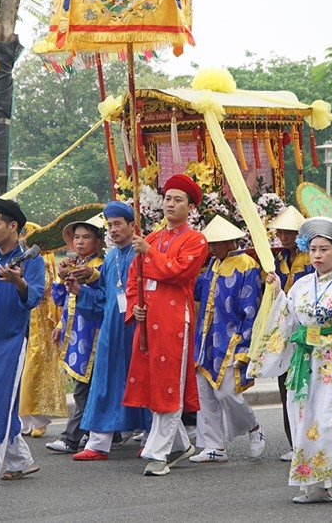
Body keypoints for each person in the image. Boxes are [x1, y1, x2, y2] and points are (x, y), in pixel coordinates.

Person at [255, 217, 332, 504]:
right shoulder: (301, 285)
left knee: (331, 420)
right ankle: (312, 483)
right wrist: (277, 293)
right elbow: (289, 316)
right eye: (313, 250)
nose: (317, 256)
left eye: (324, 250)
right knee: (303, 418)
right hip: (305, 360)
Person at [124, 173, 209, 477]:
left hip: (174, 320)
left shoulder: (195, 240)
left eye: (178, 200)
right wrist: (135, 305)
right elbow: (134, 277)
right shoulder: (152, 238)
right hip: (149, 318)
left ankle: (158, 452)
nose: (171, 204)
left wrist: (150, 255)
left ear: (190, 207)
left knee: (169, 382)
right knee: (152, 382)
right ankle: (180, 445)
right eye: (168, 198)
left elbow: (179, 272)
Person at [73, 201, 151, 461]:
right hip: (111, 329)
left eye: (118, 224)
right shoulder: (111, 257)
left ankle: (151, 437)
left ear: (132, 225)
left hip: (137, 326)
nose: (113, 230)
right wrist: (79, 291)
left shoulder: (142, 253)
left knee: (141, 381)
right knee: (104, 381)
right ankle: (98, 444)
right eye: (110, 225)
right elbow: (103, 297)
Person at [0, 198, 44, 486]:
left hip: (10, 340)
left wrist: (18, 282)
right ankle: (20, 460)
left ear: (13, 226)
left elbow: (35, 296)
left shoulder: (30, 259)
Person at [188, 215, 265, 464]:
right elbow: (197, 292)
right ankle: (214, 446)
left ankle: (253, 426)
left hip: (231, 339)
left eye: (215, 243)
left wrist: (244, 344)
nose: (210, 248)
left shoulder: (247, 265)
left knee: (227, 393)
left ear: (230, 242)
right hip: (206, 339)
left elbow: (250, 309)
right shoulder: (211, 264)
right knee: (205, 392)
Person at [46, 215, 105, 455]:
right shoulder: (74, 263)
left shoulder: (101, 266)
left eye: (86, 237)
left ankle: (71, 437)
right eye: (77, 237)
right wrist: (62, 280)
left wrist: (82, 288)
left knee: (83, 388)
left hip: (94, 335)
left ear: (99, 241)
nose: (80, 242)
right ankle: (98, 432)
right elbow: (62, 300)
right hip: (75, 335)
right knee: (85, 386)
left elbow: (103, 301)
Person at [268, 204, 312, 461]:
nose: (283, 237)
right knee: (285, 382)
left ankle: (306, 439)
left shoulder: (309, 259)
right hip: (284, 327)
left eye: (288, 232)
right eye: (280, 232)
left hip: (305, 328)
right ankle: (293, 441)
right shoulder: (279, 259)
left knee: (306, 383)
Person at [18, 232, 67, 439]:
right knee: (20, 369)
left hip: (41, 317)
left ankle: (36, 418)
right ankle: (22, 419)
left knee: (35, 368)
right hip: (21, 316)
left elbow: (46, 285)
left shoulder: (40, 258)